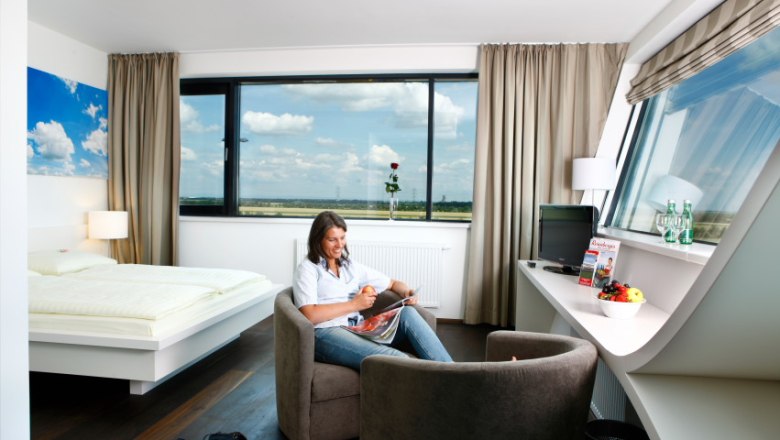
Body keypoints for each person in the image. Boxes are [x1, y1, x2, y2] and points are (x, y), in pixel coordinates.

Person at [292, 210, 453, 371]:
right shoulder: (307, 269)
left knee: (407, 313)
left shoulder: (349, 266)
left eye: (342, 238)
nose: (340, 245)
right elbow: (309, 314)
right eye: (332, 239)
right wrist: (354, 305)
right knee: (398, 360)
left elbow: (393, 283)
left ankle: (453, 373)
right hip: (325, 333)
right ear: (318, 240)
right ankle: (439, 384)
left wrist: (407, 292)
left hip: (356, 328)